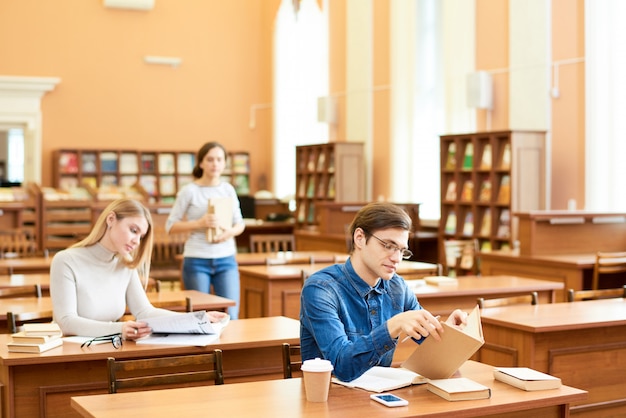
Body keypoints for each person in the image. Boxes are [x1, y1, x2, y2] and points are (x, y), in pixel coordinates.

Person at [300, 201, 468, 382]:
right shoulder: (320, 289)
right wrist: (392, 326)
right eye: (388, 246)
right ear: (360, 238)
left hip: (380, 400)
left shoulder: (398, 288)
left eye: (402, 251)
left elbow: (434, 351)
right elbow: (342, 367)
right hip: (328, 401)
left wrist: (449, 334)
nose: (396, 258)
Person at [50, 198, 228, 339]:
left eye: (141, 236)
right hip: (71, 352)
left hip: (108, 348)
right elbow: (66, 322)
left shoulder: (125, 262)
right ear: (111, 219)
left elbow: (144, 312)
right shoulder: (66, 260)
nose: (137, 241)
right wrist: (120, 329)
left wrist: (196, 319)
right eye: (133, 230)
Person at [165, 142, 245, 319]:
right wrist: (199, 223)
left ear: (224, 163)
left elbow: (240, 224)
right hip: (197, 260)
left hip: (226, 259)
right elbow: (170, 226)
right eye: (210, 159)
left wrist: (229, 233)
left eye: (219, 159)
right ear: (201, 163)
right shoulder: (189, 191)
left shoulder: (228, 189)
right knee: (200, 316)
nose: (215, 164)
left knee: (231, 314)